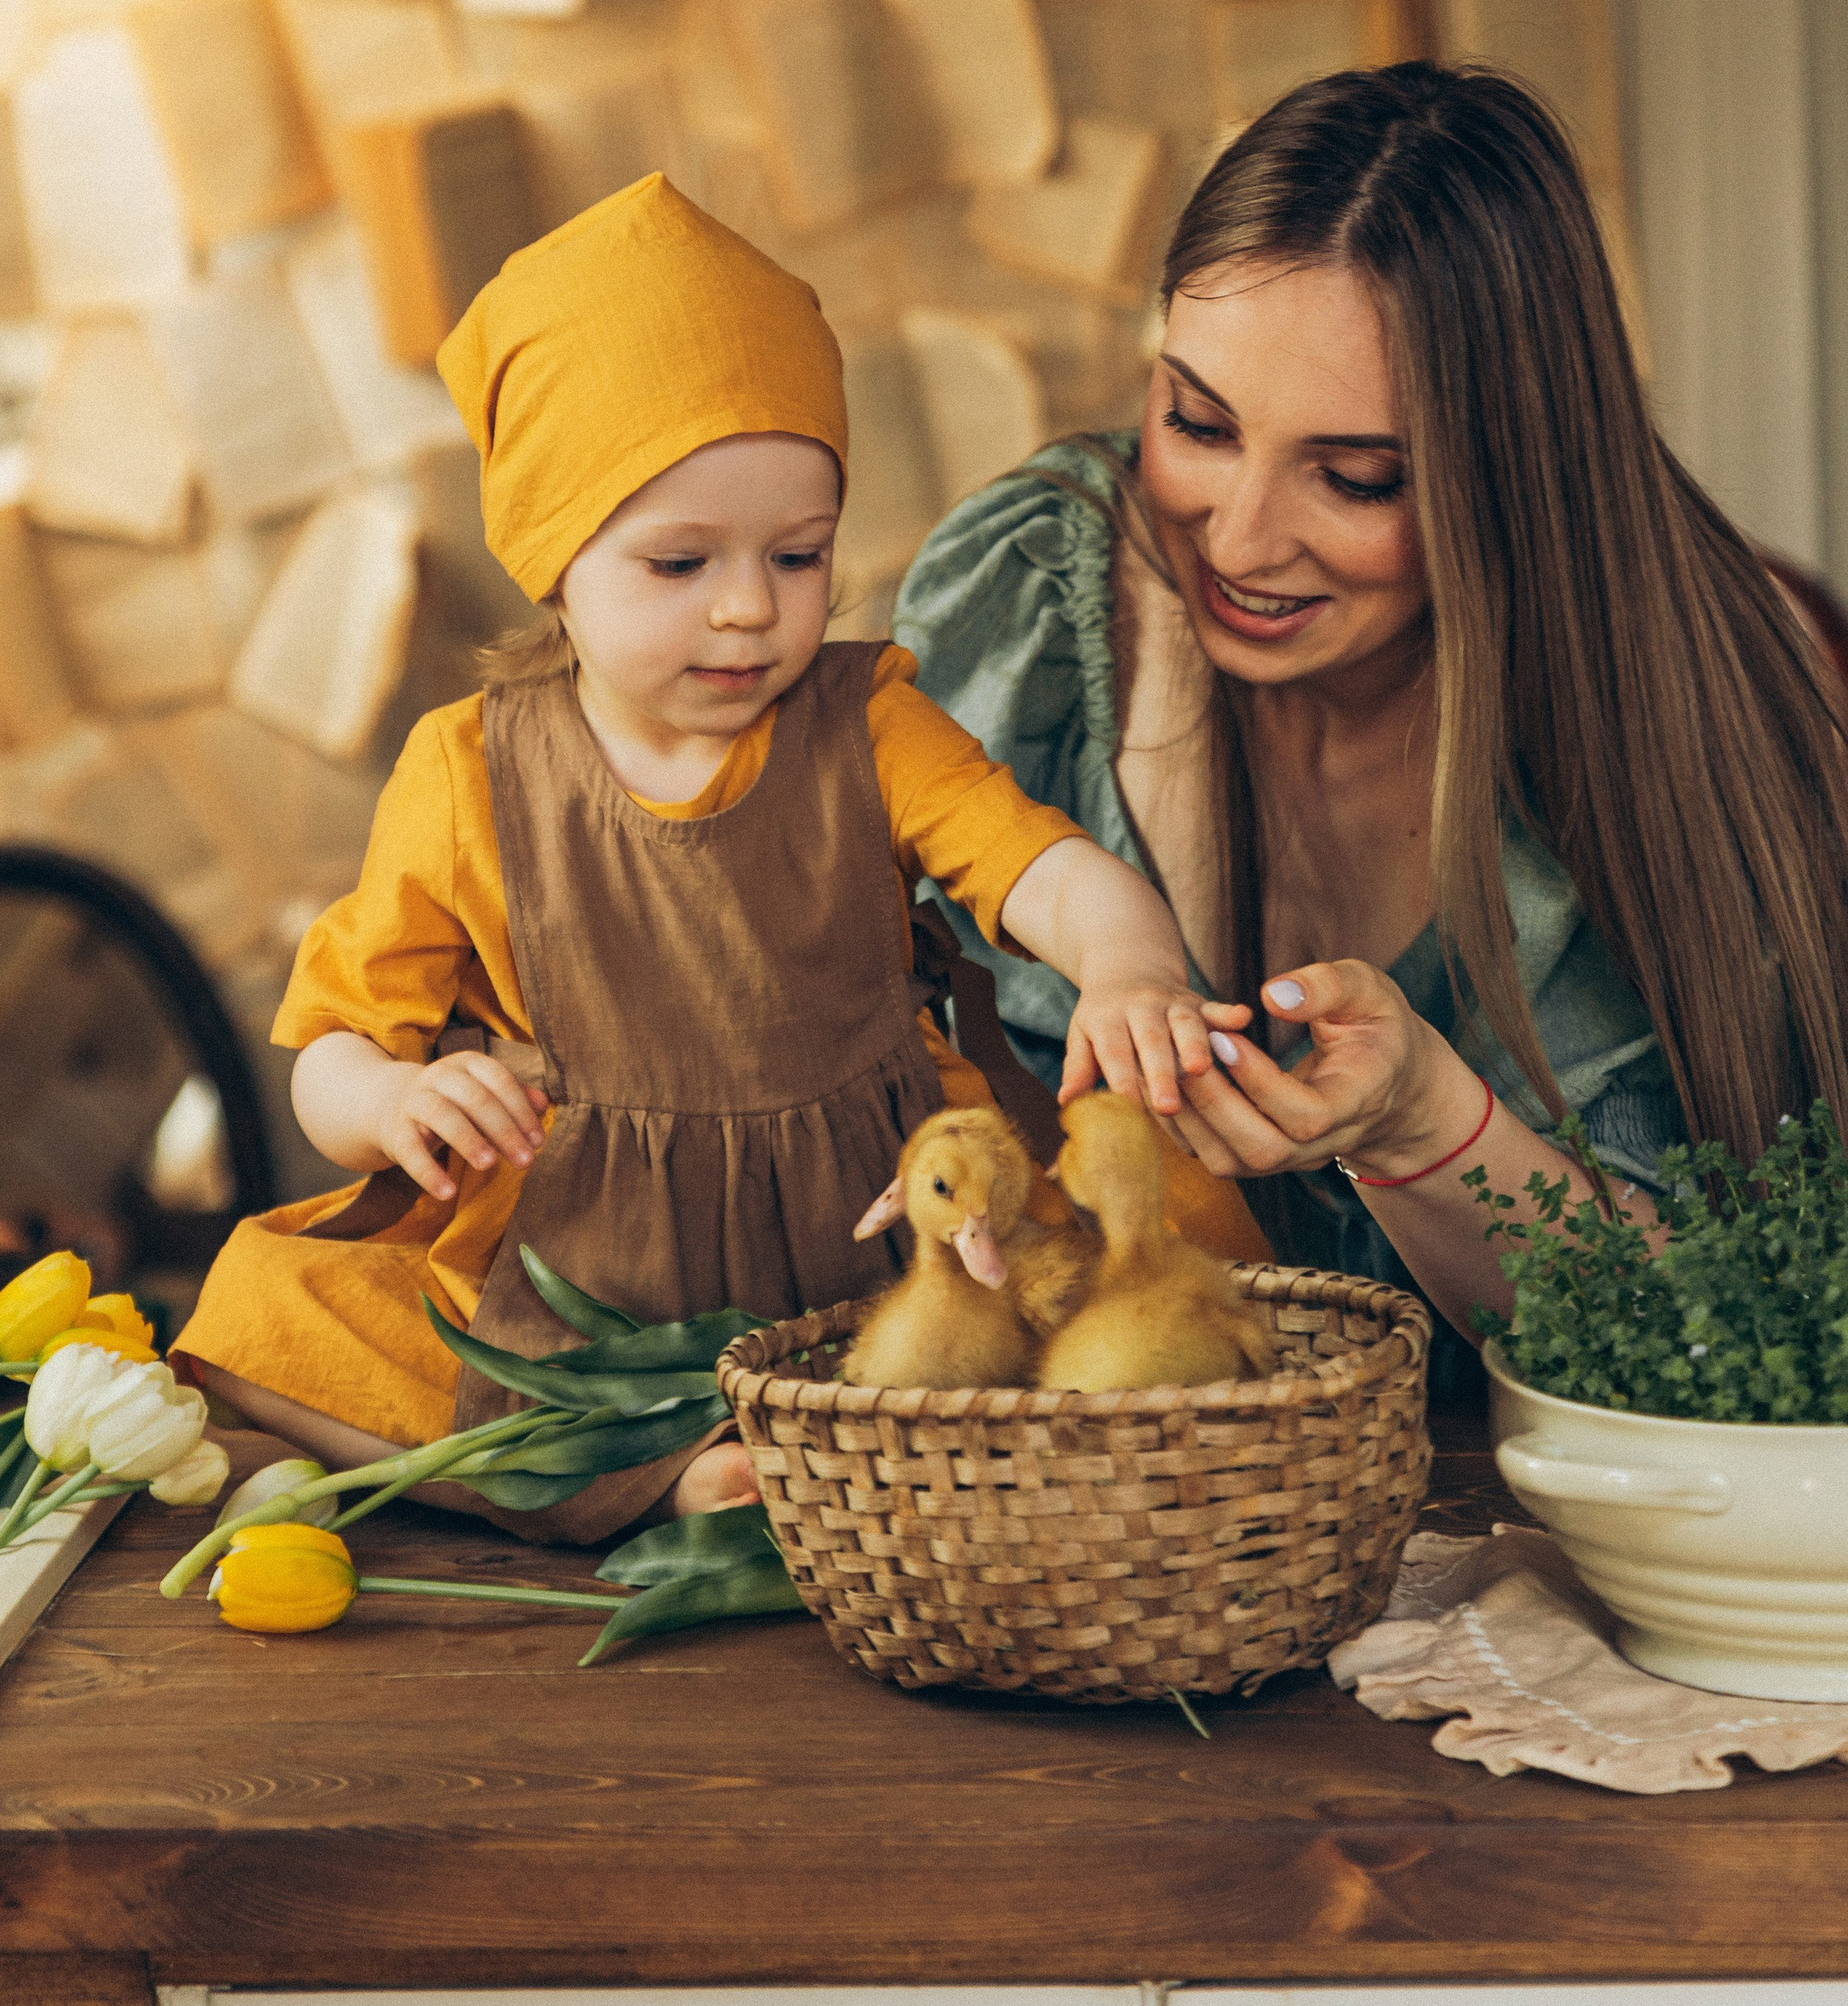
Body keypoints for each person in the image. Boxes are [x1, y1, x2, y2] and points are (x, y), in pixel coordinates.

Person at [173, 174, 1259, 1537]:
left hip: (876, 1222)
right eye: (680, 565)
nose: (749, 609)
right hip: (593, 1266)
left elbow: (1042, 868)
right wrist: (395, 1103)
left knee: (1160, 1258)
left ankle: (814, 1443)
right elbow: (332, 1052)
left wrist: (1127, 965)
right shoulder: (469, 773)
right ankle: (651, 1475)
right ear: (554, 559)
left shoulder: (868, 725)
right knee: (261, 1316)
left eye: (797, 557)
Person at [896, 67, 1848, 1404]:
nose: (1241, 538)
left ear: (1513, 474)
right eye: (1197, 422)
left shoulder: (1676, 716)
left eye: (1359, 478)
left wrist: (1428, 1125)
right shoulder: (1027, 600)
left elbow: (1736, 1355)